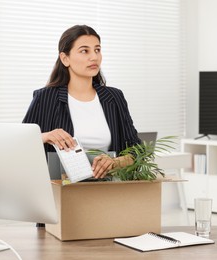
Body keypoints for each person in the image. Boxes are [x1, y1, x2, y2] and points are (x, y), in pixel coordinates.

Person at [22, 24, 140, 179]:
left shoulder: (114, 97)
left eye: (97, 50)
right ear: (65, 59)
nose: (94, 57)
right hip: (61, 191)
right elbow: (20, 144)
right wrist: (44, 136)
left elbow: (137, 150)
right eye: (85, 51)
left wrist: (114, 162)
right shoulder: (45, 97)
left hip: (110, 189)